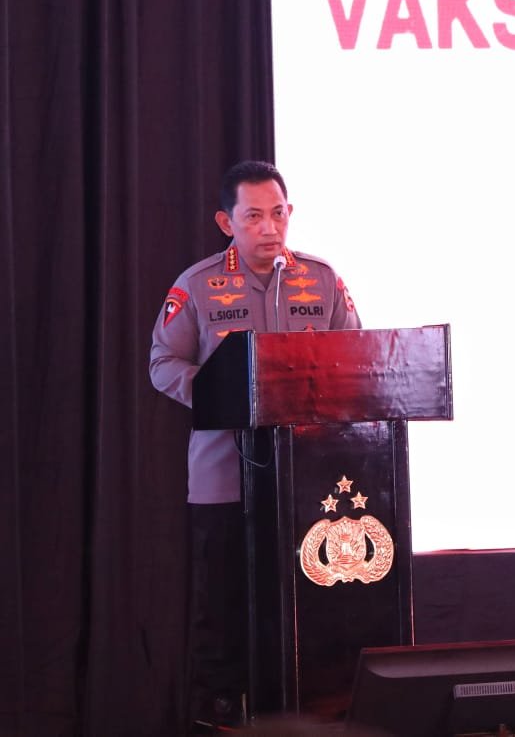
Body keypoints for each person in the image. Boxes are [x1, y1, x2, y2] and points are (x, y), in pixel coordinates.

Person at [150, 160, 361, 732]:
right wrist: (222, 394)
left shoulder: (321, 279)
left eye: (278, 214)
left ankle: (306, 714)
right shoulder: (198, 284)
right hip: (224, 476)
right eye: (253, 217)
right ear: (227, 222)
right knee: (223, 606)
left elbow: (356, 359)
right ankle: (219, 715)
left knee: (306, 601)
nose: (270, 228)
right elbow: (163, 363)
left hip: (308, 478)